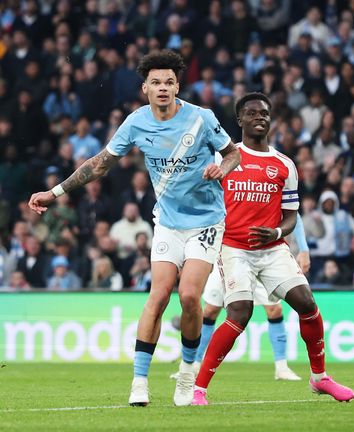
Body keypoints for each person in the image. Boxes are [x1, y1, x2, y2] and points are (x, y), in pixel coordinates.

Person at [28, 50, 241, 407]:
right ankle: (139, 381)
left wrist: (224, 168)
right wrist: (55, 192)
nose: (162, 88)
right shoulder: (136, 123)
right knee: (158, 296)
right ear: (145, 87)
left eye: (169, 82)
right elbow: (99, 165)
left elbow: (232, 152)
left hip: (206, 221)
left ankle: (187, 374)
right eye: (156, 82)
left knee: (189, 297)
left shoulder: (201, 118)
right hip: (168, 223)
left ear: (177, 86)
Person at [191, 92, 354, 405]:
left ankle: (319, 378)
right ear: (239, 121)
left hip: (274, 248)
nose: (259, 117)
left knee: (307, 303)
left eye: (264, 113)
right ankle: (198, 388)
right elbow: (202, 201)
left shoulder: (284, 165)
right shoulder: (223, 158)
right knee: (240, 312)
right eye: (251, 113)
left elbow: (292, 216)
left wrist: (277, 232)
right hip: (234, 248)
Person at [171, 214, 312, 381]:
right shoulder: (224, 189)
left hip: (263, 253)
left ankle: (281, 367)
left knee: (274, 309)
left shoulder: (271, 189)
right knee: (210, 310)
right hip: (229, 251)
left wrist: (303, 248)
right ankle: (194, 364)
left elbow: (293, 213)